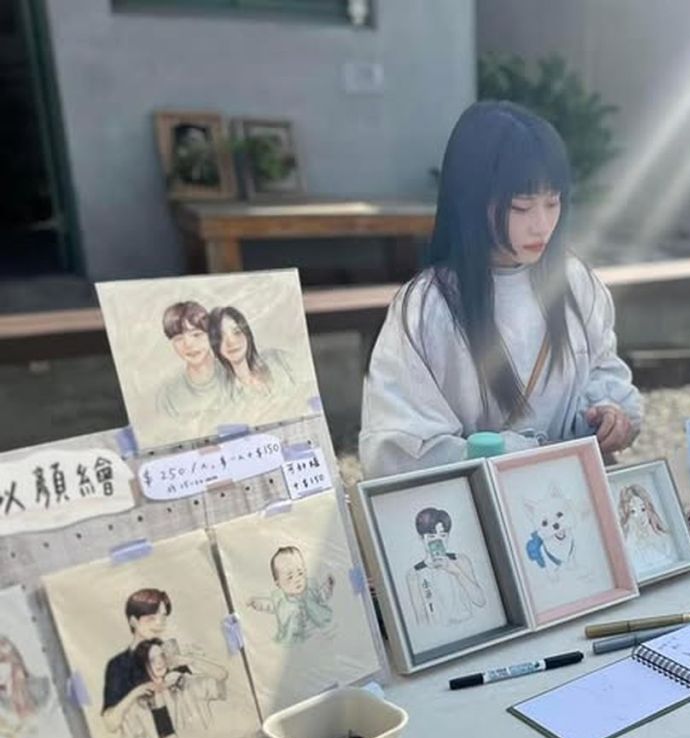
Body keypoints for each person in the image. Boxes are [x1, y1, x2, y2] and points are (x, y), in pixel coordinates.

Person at [359, 101, 643, 479]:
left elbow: (602, 370)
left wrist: (610, 414)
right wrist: (513, 454)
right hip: (479, 505)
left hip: (574, 493)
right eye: (521, 207)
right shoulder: (428, 307)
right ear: (472, 202)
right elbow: (397, 448)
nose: (542, 225)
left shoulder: (575, 282)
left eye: (552, 202)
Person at [100, 588, 191, 737]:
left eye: (163, 617)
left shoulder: (168, 652)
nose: (159, 624)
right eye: (151, 618)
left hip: (190, 737)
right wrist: (136, 693)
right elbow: (110, 724)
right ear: (133, 621)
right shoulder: (119, 666)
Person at [406, 507, 486, 627]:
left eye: (443, 535)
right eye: (431, 536)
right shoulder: (415, 573)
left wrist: (457, 572)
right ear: (422, 538)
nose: (438, 541)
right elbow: (421, 616)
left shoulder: (460, 560)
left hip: (469, 624)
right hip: (440, 631)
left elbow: (480, 601)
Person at [209, 306, 296, 409]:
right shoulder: (228, 398)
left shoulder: (276, 359)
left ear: (246, 334)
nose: (231, 341)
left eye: (236, 332)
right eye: (221, 337)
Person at [156, 301, 231, 420]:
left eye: (196, 335)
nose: (188, 344)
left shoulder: (233, 375)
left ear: (211, 334)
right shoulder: (168, 394)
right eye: (179, 338)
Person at [247, 546, 335, 644]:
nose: (297, 580)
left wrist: (328, 587)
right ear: (278, 584)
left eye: (300, 573)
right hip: (294, 638)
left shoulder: (310, 590)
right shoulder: (280, 600)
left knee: (325, 637)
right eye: (290, 577)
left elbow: (321, 596)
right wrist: (255, 603)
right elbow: (268, 605)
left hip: (315, 632)